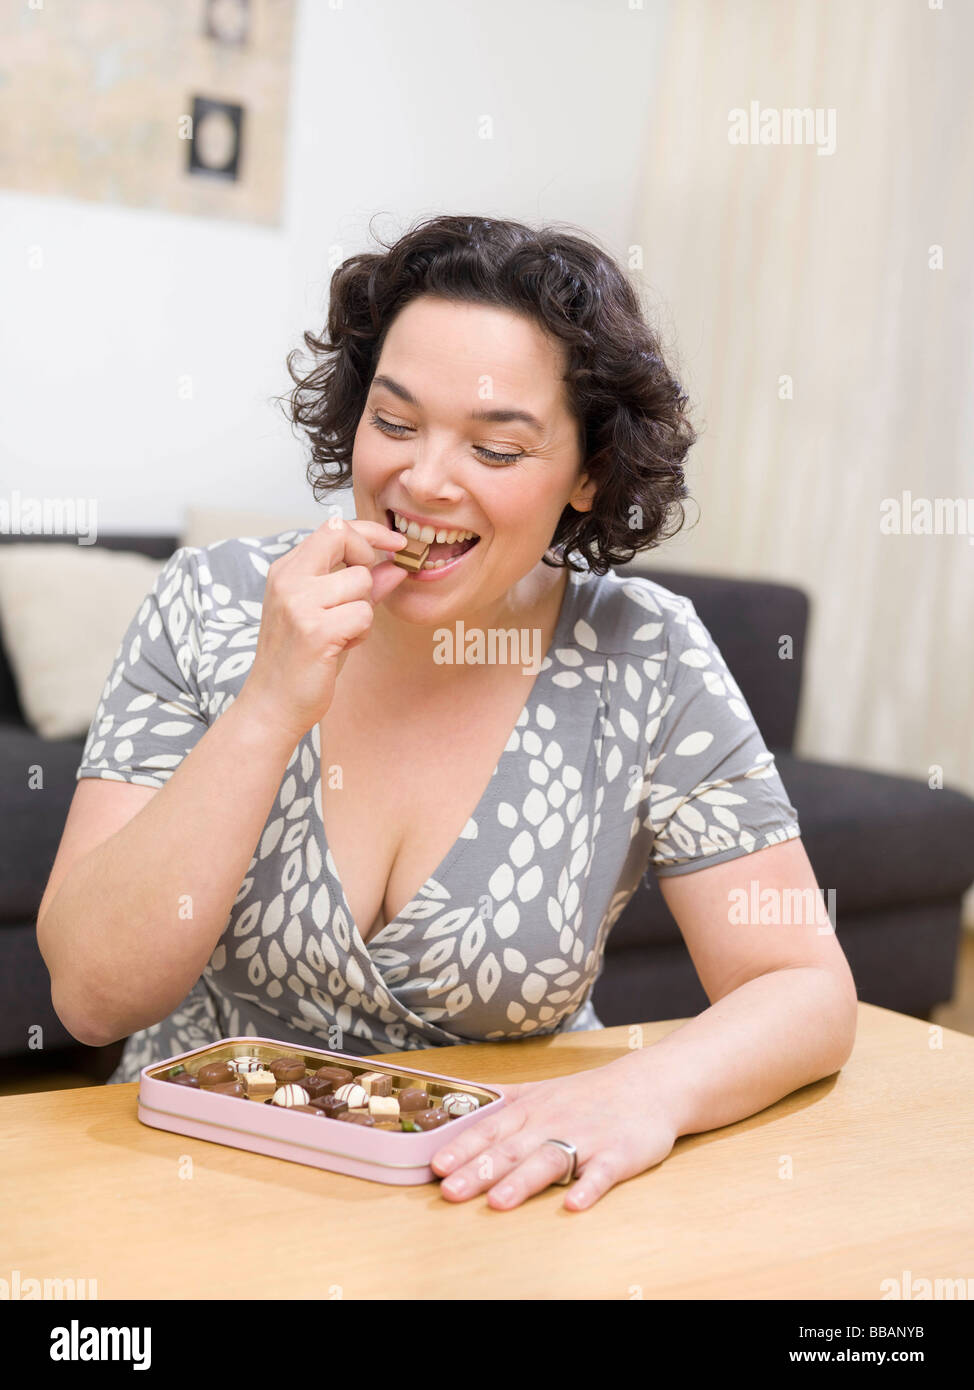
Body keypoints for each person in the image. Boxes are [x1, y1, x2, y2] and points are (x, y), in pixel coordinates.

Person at [37, 214, 857, 1212]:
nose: (423, 480)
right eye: (394, 422)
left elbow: (805, 988)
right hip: (185, 1180)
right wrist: (266, 708)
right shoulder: (211, 600)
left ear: (587, 473)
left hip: (487, 1199)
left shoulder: (645, 654)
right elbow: (87, 996)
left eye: (496, 448)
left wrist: (640, 1091)